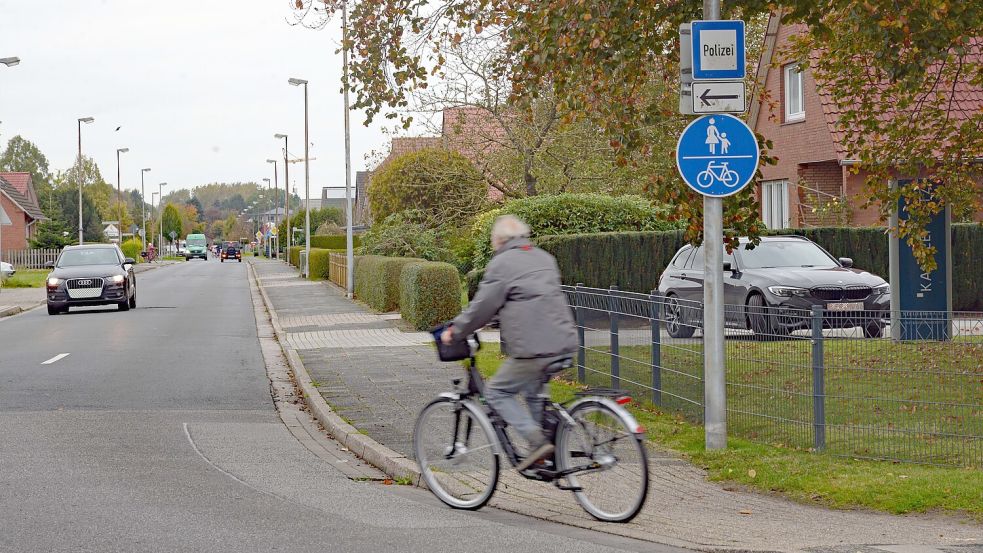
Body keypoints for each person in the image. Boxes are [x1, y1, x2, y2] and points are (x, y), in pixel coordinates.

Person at [442, 215, 579, 471]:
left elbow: (482, 307)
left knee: (497, 392)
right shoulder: (543, 257)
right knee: (532, 391)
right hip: (564, 339)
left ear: (499, 240)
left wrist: (455, 331)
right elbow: (529, 297)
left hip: (535, 348)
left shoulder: (502, 263)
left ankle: (537, 443)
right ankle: (545, 459)